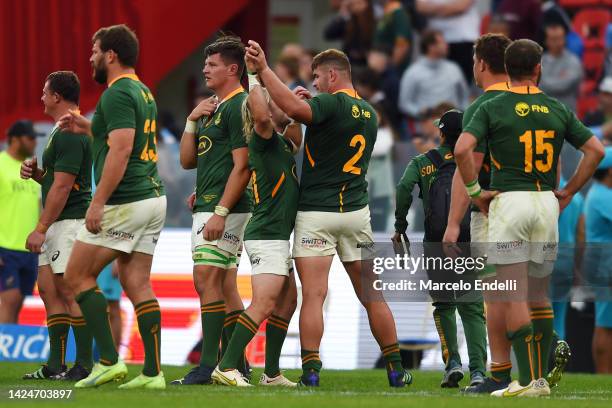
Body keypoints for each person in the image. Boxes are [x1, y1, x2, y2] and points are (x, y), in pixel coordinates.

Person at [245, 42, 412, 388]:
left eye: (319, 77)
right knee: (372, 294)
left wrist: (263, 70)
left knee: (315, 295)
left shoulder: (329, 103)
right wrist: (304, 105)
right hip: (356, 212)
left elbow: (295, 107)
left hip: (317, 213)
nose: (316, 83)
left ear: (333, 75)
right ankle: (396, 368)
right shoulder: (370, 113)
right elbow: (317, 121)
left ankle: (310, 371)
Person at [454, 39, 604, 397]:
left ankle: (528, 382)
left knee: (512, 293)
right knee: (539, 295)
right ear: (539, 68)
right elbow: (595, 149)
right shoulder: (556, 107)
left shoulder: (492, 103)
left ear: (507, 65)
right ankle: (537, 379)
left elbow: (462, 149)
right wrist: (569, 191)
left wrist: (475, 192)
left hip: (511, 201)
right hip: (545, 204)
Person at [59, 24, 167, 389]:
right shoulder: (143, 91)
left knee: (76, 276)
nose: (90, 57)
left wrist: (98, 202)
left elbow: (121, 150)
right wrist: (87, 126)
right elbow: (123, 139)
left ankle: (107, 360)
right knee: (137, 282)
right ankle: (153, 374)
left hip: (126, 199)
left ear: (110, 55)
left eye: (94, 51)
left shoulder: (117, 93)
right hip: (153, 198)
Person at [211, 60, 302, 388]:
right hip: (267, 235)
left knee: (288, 300)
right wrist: (255, 75)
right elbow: (263, 115)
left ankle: (272, 373)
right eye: (272, 101)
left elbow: (296, 140)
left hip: (277, 235)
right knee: (264, 302)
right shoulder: (262, 137)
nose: (276, 104)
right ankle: (226, 365)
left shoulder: (277, 143)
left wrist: (292, 110)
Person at [173, 35, 251, 386]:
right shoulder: (214, 108)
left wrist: (220, 210)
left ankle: (208, 367)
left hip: (224, 210)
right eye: (206, 63)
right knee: (226, 285)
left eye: (213, 64)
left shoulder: (238, 106)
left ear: (233, 69)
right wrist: (191, 119)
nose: (205, 68)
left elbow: (243, 166)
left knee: (205, 279)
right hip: (209, 204)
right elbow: (189, 161)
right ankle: (237, 363)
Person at [393, 109, 488, 389]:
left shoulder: (424, 162)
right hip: (469, 239)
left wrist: (400, 225)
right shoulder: (475, 161)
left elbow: (403, 187)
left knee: (444, 305)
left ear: (442, 133)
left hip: (436, 242)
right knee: (472, 308)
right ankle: (479, 371)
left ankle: (452, 363)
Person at [443, 33, 514, 394]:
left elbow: (467, 162)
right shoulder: (533, 104)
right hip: (535, 205)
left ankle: (500, 372)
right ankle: (535, 371)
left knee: (496, 293)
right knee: (529, 291)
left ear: (482, 64)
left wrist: (454, 223)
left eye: (473, 61)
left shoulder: (483, 106)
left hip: (493, 208)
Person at [20, 71, 94, 382]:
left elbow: (64, 189)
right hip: (57, 221)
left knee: (70, 291)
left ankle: (85, 365)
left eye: (44, 92)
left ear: (56, 97)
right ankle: (55, 365)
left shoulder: (69, 131)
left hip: (69, 221)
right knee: (50, 291)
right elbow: (56, 181)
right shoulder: (59, 130)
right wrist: (37, 173)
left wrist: (39, 227)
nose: (40, 97)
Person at [0, 120, 40, 323]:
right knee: (9, 298)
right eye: (30, 138)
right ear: (14, 140)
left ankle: (8, 352)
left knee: (18, 302)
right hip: (5, 246)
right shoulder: (1, 164)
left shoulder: (32, 170)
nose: (35, 143)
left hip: (29, 249)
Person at [584, 147, 612, 374]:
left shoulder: (600, 193)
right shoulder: (603, 195)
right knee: (605, 324)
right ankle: (604, 375)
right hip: (606, 267)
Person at [399, 30, 469, 119]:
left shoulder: (454, 68)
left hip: (454, 125)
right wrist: (419, 111)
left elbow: (464, 97)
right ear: (431, 47)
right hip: (426, 126)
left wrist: (461, 115)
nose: (446, 46)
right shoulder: (412, 73)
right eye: (442, 42)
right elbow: (404, 104)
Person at [416, 0, 481, 84]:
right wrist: (447, 9)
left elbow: (461, 7)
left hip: (462, 40)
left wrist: (432, 10)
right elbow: (420, 7)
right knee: (433, 82)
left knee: (461, 82)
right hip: (434, 41)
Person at [539, 23, 583, 113]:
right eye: (554, 39)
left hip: (567, 112)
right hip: (545, 111)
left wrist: (546, 82)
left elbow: (565, 85)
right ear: (546, 41)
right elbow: (538, 84)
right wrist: (560, 78)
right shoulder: (540, 61)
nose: (558, 43)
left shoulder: (573, 61)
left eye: (560, 39)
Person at [324, 0, 375, 67]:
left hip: (369, 65)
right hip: (350, 65)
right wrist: (343, 12)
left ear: (367, 4)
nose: (356, 7)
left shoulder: (375, 23)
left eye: (359, 3)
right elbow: (328, 34)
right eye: (353, 4)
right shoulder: (348, 23)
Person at [374, 0, 412, 72]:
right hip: (379, 65)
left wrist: (390, 68)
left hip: (391, 71)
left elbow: (402, 46)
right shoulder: (387, 13)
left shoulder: (399, 15)